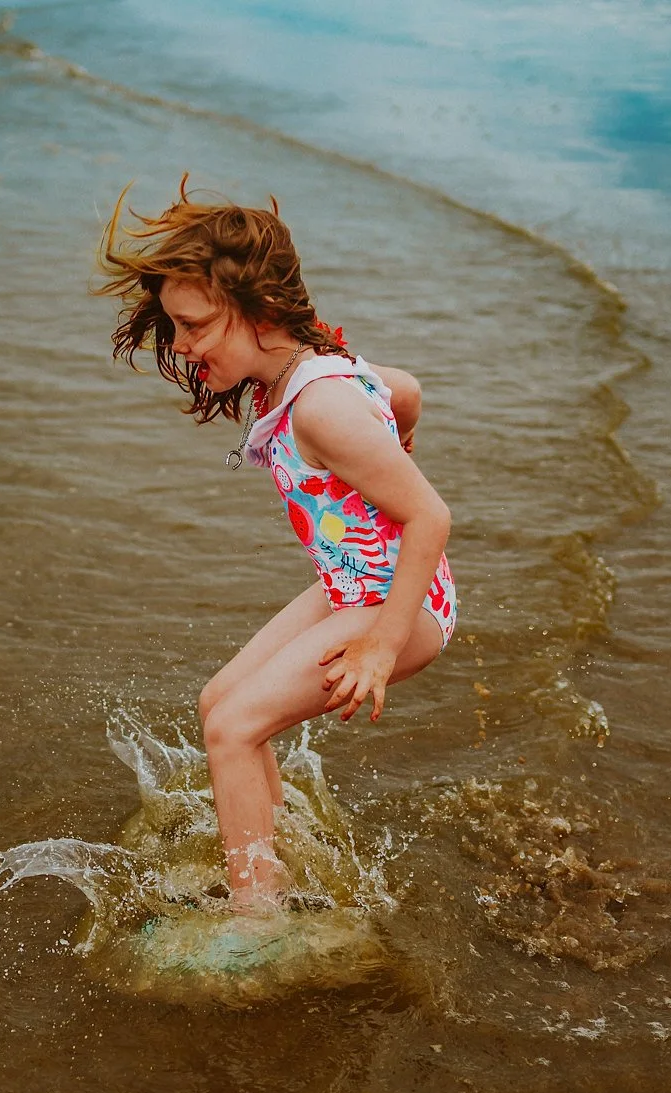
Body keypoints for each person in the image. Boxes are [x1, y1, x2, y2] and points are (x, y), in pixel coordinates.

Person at [99, 184, 457, 911]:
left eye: (194, 325)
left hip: (397, 604)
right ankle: (276, 850)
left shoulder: (320, 404)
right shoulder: (309, 374)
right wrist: (396, 436)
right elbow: (406, 389)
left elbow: (429, 516)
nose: (184, 346)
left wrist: (382, 647)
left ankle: (256, 918)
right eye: (174, 327)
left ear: (259, 311)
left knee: (233, 729)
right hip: (355, 586)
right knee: (219, 703)